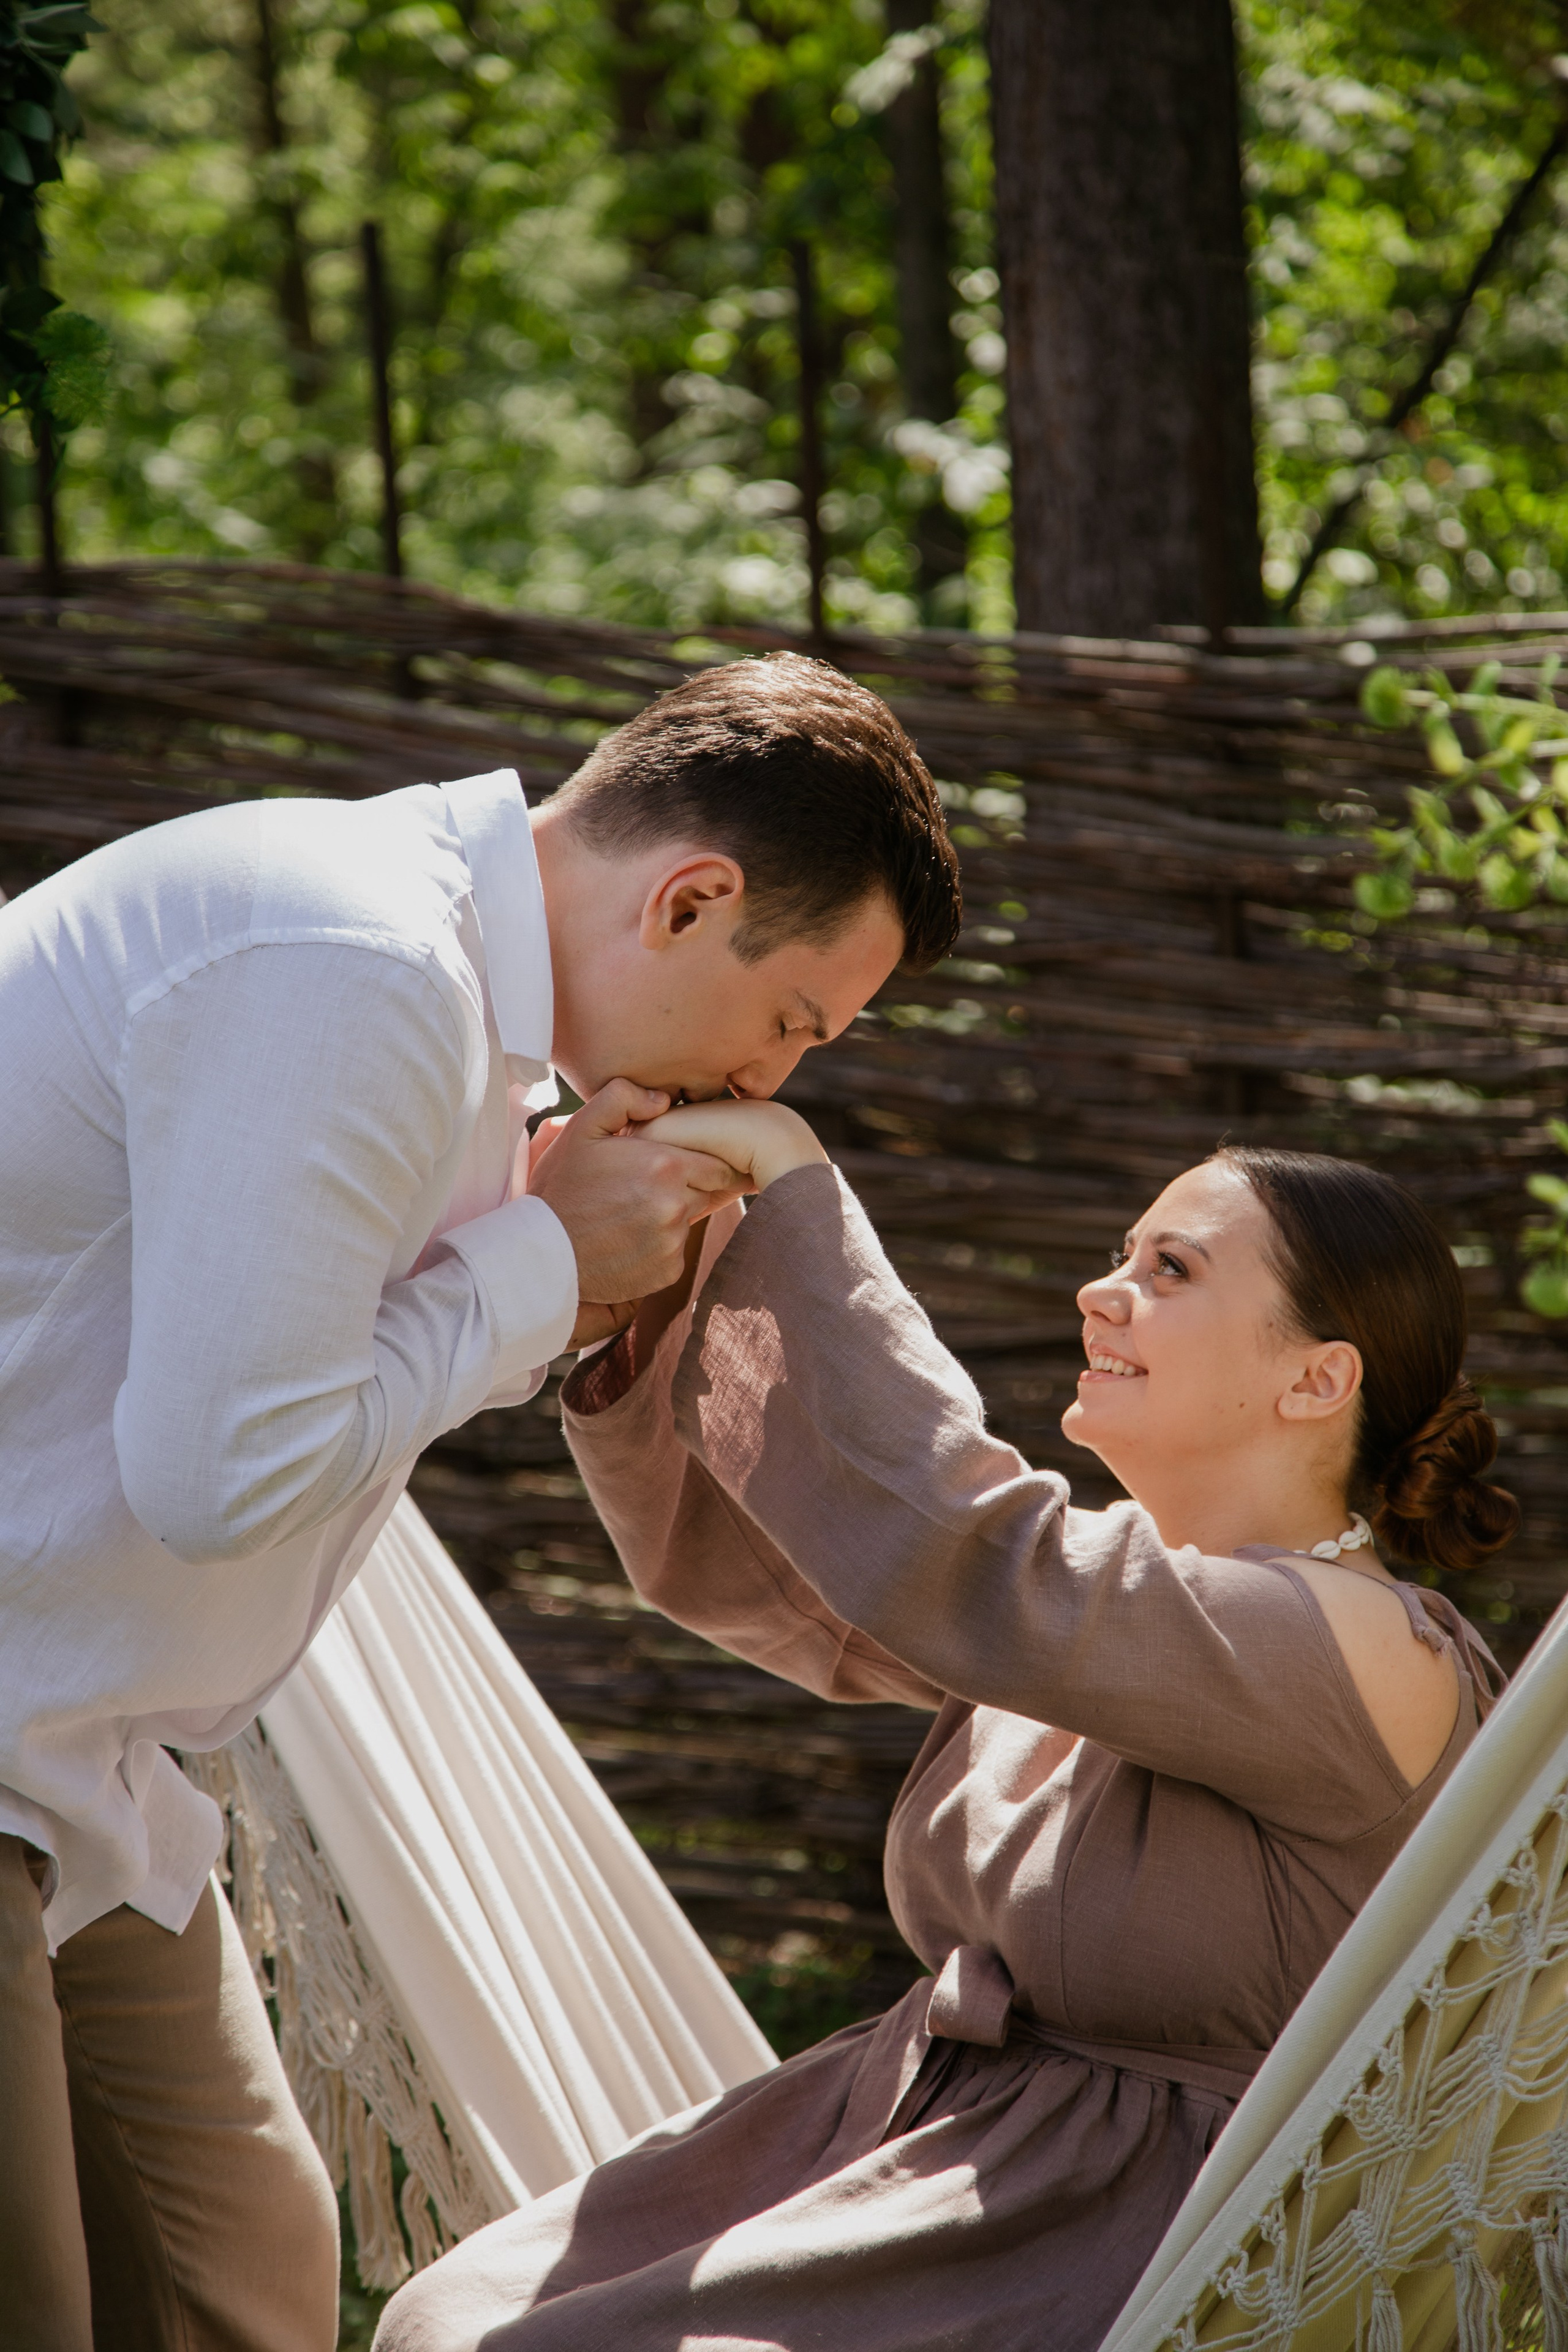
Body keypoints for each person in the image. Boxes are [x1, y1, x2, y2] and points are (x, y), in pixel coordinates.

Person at [0, 657, 960, 2352]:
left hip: (89, 1765)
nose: (770, 1077)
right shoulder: (355, 965)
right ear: (691, 900)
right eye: (794, 1021)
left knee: (247, 2281)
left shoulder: (440, 1003)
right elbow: (230, 1474)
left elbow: (337, 1364)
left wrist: (535, 1254)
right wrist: (540, 1257)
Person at [377, 1102, 1518, 2352]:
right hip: (928, 2146)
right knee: (450, 2317)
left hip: (1126, 2235)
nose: (1101, 1292)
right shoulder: (1111, 1608)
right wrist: (659, 1303)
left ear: (1317, 1378)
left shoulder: (1352, 1644)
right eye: (1121, 1256)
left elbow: (957, 1549)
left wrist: (796, 1183)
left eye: (1170, 1270)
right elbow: (781, 1579)